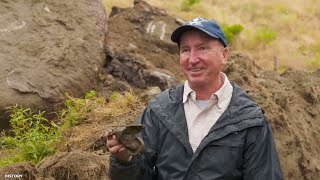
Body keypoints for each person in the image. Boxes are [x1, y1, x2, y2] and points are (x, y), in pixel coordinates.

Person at [106, 17, 283, 180]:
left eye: (202, 48)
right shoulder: (159, 111)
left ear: (224, 55)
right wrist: (125, 160)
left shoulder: (250, 121)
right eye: (185, 50)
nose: (192, 59)